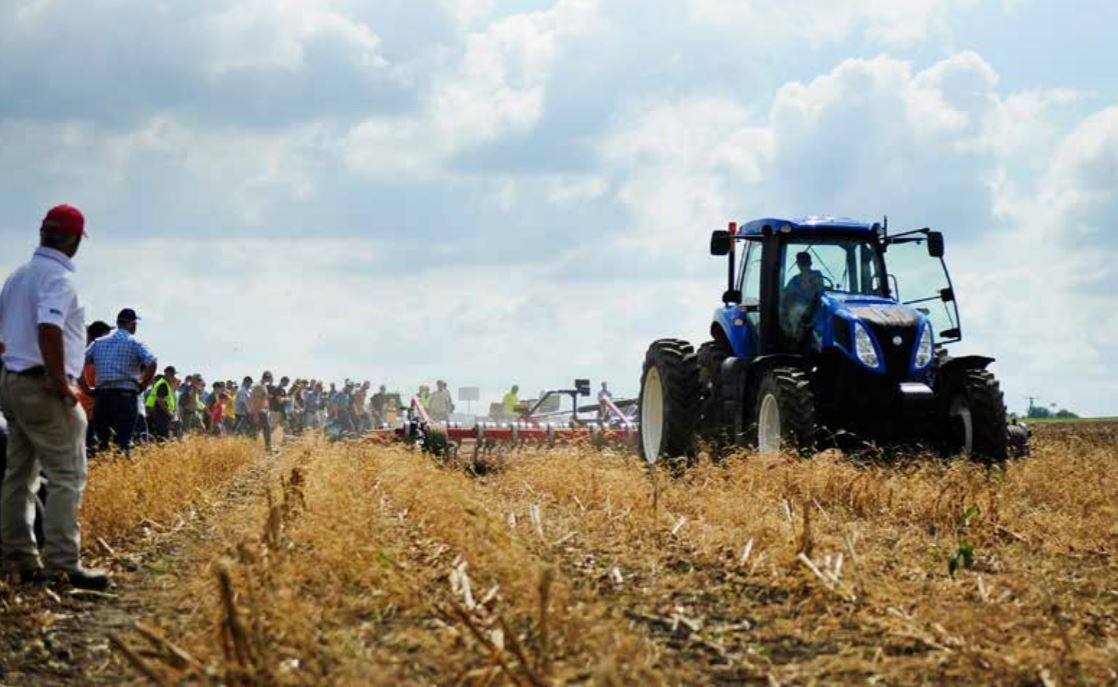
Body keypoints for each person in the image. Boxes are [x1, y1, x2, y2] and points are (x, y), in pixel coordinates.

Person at [0, 204, 109, 589]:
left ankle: (19, 557)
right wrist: (60, 381)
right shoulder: (59, 279)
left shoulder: (16, 277)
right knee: (67, 474)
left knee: (19, 474)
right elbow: (49, 328)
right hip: (44, 386)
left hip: (13, 382)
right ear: (75, 239)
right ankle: (63, 562)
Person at [83, 308, 157, 455]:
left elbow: (77, 362)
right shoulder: (135, 342)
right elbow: (152, 362)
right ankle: (120, 472)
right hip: (126, 398)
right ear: (132, 325)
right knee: (122, 444)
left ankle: (105, 473)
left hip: (102, 397)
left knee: (103, 444)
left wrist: (86, 388)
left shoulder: (98, 342)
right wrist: (142, 386)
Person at [78, 320, 113, 450]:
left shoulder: (81, 353)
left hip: (82, 411)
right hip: (91, 411)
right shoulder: (95, 356)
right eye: (108, 335)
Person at [781, 251, 825, 339]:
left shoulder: (815, 276)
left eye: (803, 262)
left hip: (812, 316)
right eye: (802, 262)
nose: (803, 265)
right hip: (804, 317)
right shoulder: (795, 280)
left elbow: (819, 296)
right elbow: (785, 297)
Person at [145, 366, 178, 441]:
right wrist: (169, 413)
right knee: (163, 437)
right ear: (168, 374)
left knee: (157, 436)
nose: (173, 377)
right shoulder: (163, 384)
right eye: (172, 375)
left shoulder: (163, 383)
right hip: (161, 413)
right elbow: (160, 400)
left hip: (156, 412)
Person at [252, 371, 273, 452]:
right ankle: (268, 448)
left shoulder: (263, 386)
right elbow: (255, 401)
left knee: (257, 430)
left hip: (263, 411)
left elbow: (263, 399)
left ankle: (253, 447)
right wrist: (256, 415)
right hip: (259, 411)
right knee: (266, 429)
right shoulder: (259, 386)